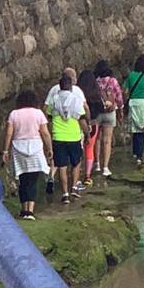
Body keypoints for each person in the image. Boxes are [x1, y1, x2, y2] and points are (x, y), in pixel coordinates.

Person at [2, 90, 53, 220]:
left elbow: (9, 133)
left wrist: (5, 150)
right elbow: (45, 133)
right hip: (35, 147)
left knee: (23, 180)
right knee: (33, 180)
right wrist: (49, 148)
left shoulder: (14, 114)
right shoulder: (38, 113)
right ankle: (30, 210)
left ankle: (24, 209)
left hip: (19, 147)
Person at [45, 74, 88, 205]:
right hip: (73, 136)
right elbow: (81, 119)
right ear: (70, 87)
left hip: (58, 136)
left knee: (62, 166)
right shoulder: (76, 100)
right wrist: (87, 133)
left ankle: (65, 194)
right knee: (76, 162)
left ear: (60, 86)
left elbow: (49, 116)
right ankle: (74, 187)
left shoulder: (53, 100)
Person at [93, 60, 123, 177]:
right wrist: (119, 107)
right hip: (110, 112)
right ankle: (106, 167)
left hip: (97, 112)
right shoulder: (113, 81)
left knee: (97, 139)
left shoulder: (95, 82)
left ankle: (97, 164)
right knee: (107, 140)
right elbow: (119, 97)